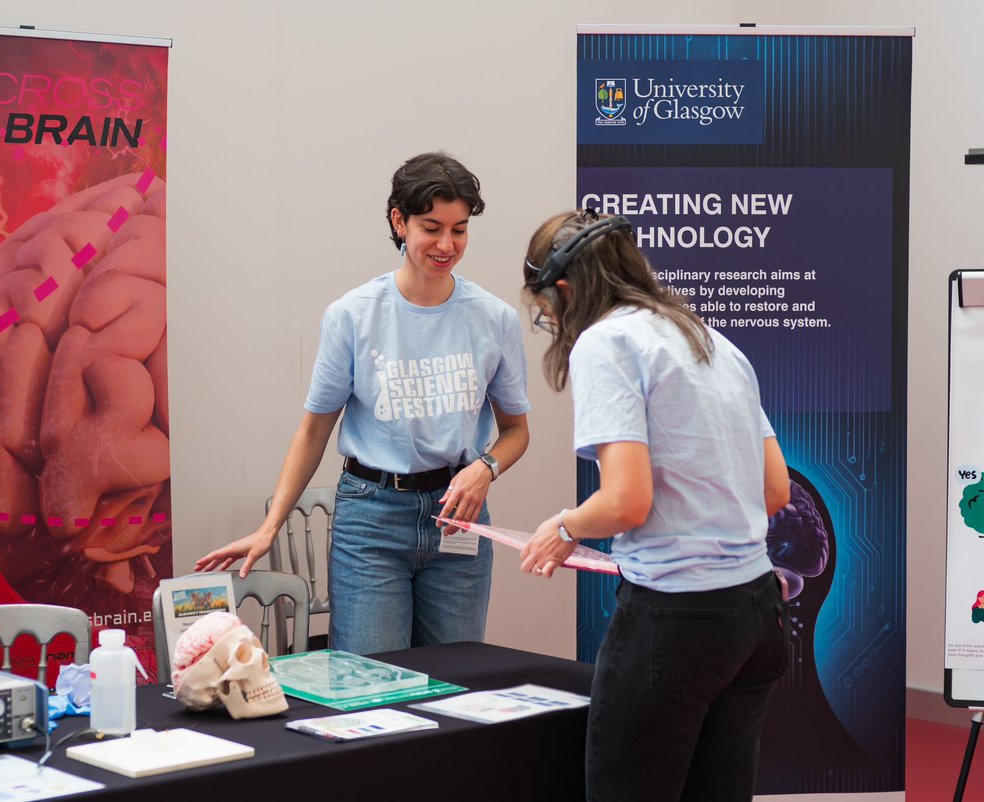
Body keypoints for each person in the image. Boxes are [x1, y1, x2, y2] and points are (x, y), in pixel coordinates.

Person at [195, 152, 530, 654]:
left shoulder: (494, 318)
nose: (446, 245)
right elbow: (314, 431)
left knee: (457, 680)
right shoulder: (352, 316)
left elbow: (516, 431)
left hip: (457, 518)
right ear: (399, 221)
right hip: (372, 519)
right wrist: (270, 528)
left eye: (459, 230)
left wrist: (486, 468)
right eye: (432, 228)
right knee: (370, 683)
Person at [517, 209, 791, 802]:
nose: (552, 323)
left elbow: (626, 502)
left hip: (675, 620)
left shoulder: (605, 342)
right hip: (756, 613)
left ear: (564, 289)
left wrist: (564, 527)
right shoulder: (711, 340)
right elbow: (775, 491)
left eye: (546, 312)